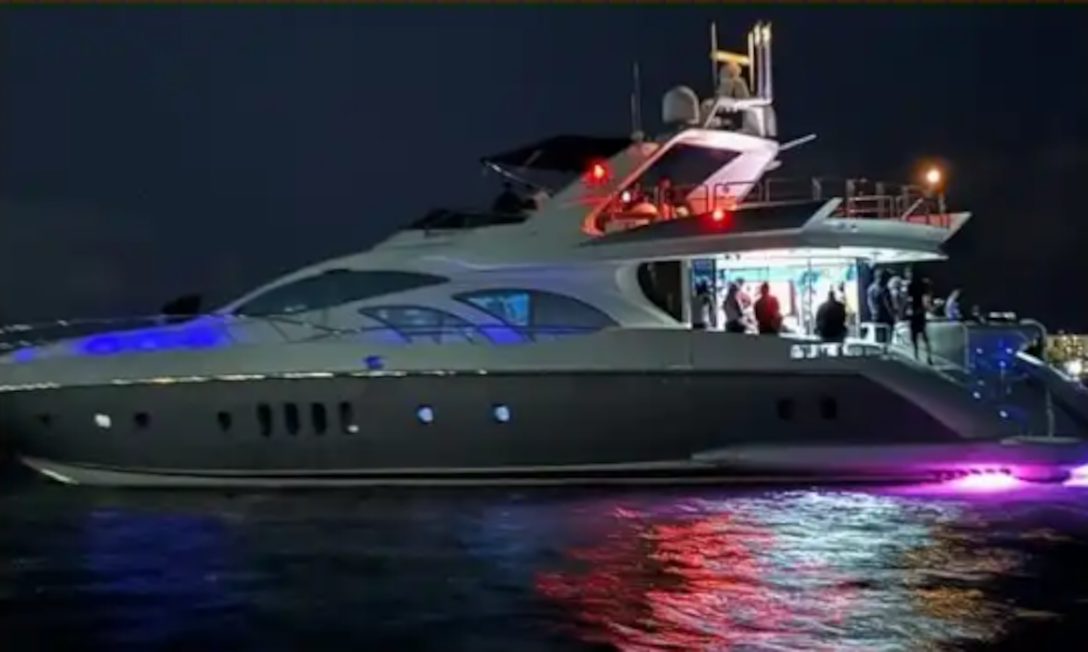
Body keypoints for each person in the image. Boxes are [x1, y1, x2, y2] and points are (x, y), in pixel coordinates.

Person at [905, 266, 933, 364]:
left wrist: (909, 310)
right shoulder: (923, 284)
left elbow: (909, 300)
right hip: (920, 312)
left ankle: (916, 356)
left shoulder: (910, 285)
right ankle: (929, 357)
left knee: (914, 335)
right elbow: (926, 297)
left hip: (914, 312)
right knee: (924, 335)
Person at [866, 269, 895, 344]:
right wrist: (893, 315)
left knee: (879, 338)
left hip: (876, 316)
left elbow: (870, 303)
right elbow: (887, 304)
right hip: (885, 317)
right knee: (887, 338)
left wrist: (873, 312)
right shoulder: (883, 289)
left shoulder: (871, 288)